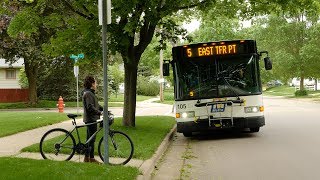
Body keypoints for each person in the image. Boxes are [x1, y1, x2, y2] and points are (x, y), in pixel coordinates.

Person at [82, 76, 103, 164]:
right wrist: (99, 113)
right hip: (90, 119)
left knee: (90, 139)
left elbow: (96, 106)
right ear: (92, 84)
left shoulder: (90, 93)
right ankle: (91, 158)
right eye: (95, 82)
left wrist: (104, 110)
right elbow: (90, 107)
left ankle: (87, 158)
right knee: (91, 139)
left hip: (91, 119)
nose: (96, 84)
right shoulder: (88, 94)